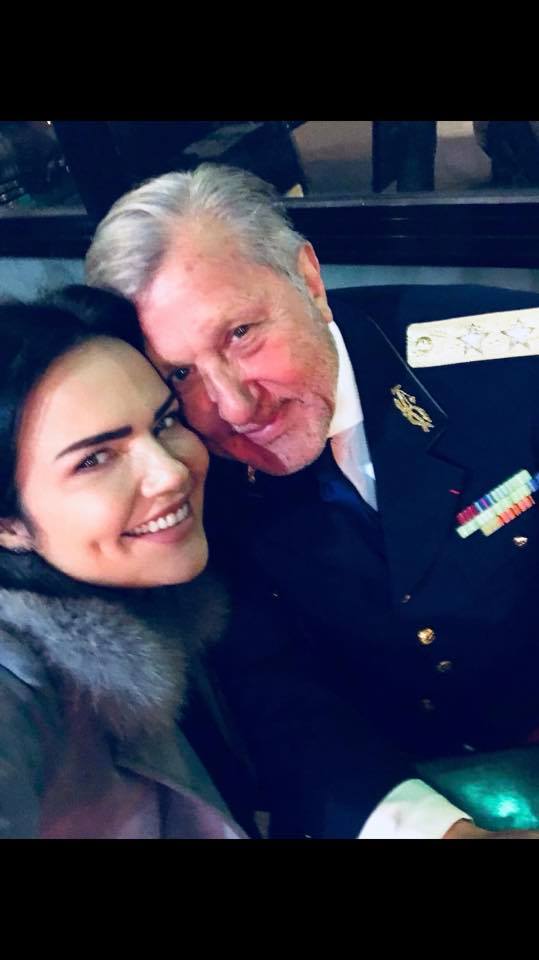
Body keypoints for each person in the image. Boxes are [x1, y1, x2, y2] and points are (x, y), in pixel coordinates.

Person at [86, 164, 539, 839]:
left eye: (240, 333)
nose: (234, 408)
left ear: (310, 280)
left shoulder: (514, 350)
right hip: (383, 789)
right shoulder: (179, 469)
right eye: (179, 373)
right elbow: (270, 687)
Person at [0, 284, 263, 839]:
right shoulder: (15, 677)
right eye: (95, 458)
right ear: (8, 525)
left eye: (164, 422)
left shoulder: (166, 591)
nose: (171, 472)